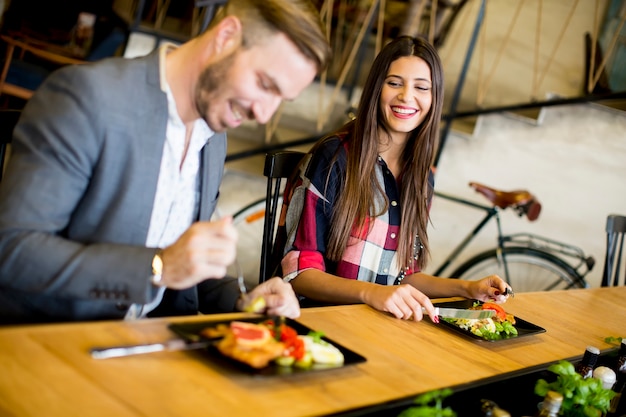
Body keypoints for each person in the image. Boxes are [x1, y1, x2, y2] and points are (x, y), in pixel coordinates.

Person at [0, 0, 331, 324]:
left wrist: (244, 299)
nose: (263, 114)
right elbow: (13, 250)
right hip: (49, 344)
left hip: (149, 349)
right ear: (226, 36)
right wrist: (156, 268)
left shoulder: (213, 134)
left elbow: (179, 264)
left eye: (280, 100)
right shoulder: (88, 97)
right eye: (264, 85)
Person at [275, 36, 511, 322]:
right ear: (377, 89)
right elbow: (299, 273)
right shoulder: (335, 158)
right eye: (395, 83)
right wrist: (371, 293)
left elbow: (401, 277)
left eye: (421, 87)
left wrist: (467, 288)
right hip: (320, 325)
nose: (406, 96)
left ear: (434, 98)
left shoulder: (421, 178)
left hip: (380, 328)